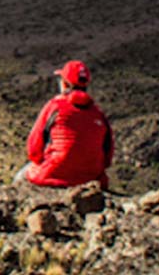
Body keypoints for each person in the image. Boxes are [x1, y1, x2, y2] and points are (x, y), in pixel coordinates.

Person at [17, 60, 113, 188]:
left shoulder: (55, 106)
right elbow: (108, 156)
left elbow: (34, 149)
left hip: (54, 173)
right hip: (91, 179)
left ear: (64, 83)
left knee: (21, 177)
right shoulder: (98, 113)